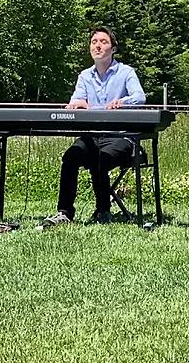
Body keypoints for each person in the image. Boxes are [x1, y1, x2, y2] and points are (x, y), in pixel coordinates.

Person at [42, 26, 146, 227]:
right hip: (91, 136)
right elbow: (75, 101)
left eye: (103, 42)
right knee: (71, 157)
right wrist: (76, 104)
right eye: (94, 42)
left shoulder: (126, 72)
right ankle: (64, 213)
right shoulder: (84, 76)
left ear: (113, 49)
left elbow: (139, 97)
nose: (98, 46)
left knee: (101, 158)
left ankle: (103, 210)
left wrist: (122, 102)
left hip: (120, 137)